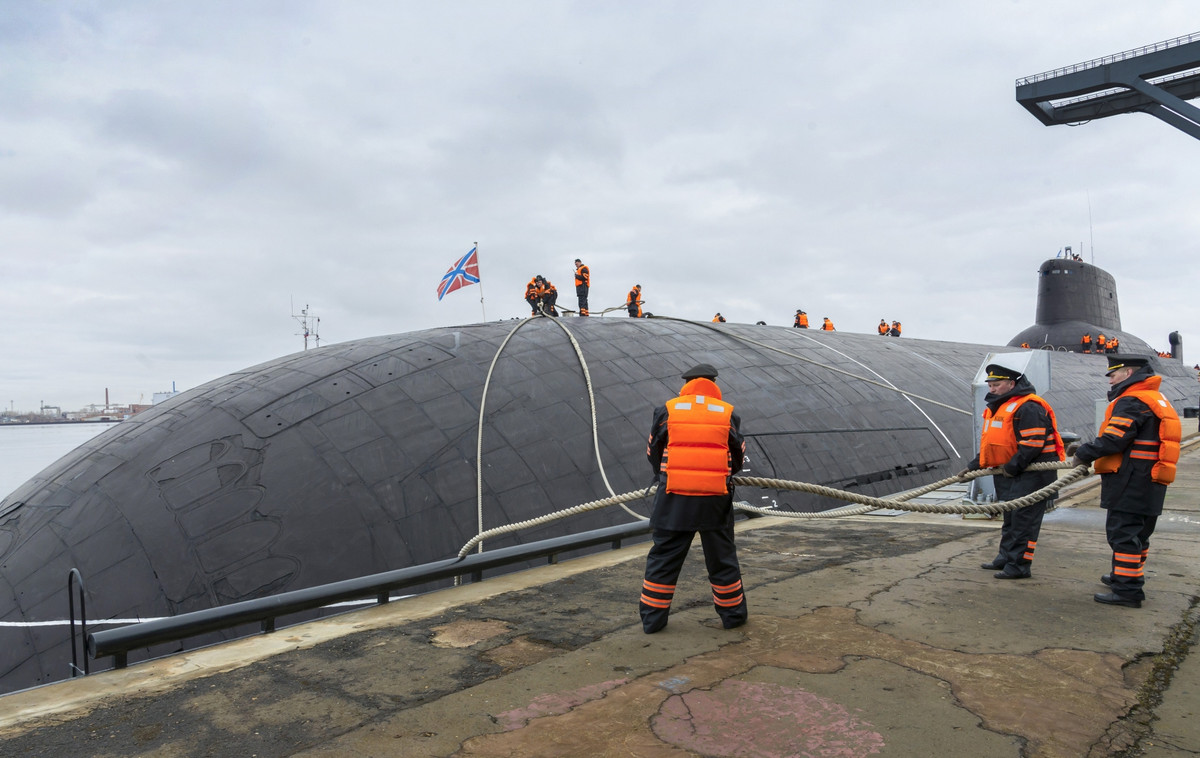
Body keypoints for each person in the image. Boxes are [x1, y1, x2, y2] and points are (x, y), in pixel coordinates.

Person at [640, 363, 748, 634]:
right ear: (714, 384)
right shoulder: (727, 413)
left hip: (674, 499)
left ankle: (652, 621)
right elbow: (737, 457)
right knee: (722, 560)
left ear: (686, 385)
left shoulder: (668, 410)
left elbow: (653, 451)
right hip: (715, 500)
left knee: (663, 560)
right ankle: (733, 617)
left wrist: (667, 474)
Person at [1071, 356, 1181, 608]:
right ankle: (1125, 576)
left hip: (1131, 479)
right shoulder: (1156, 399)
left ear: (1128, 372)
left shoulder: (1131, 400)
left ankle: (1127, 590)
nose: (1110, 379)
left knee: (1123, 534)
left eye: (1113, 374)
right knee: (1139, 534)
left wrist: (1084, 453)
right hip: (1152, 478)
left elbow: (1114, 439)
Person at [968, 363, 1065, 579]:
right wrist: (975, 464)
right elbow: (994, 444)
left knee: (1024, 521)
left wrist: (1012, 467)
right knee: (1011, 516)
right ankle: (1006, 557)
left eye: (997, 384)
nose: (992, 389)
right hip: (1010, 473)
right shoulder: (998, 408)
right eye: (990, 385)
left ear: (1012, 384)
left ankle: (1019, 565)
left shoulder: (1028, 407)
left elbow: (1033, 443)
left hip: (1031, 473)